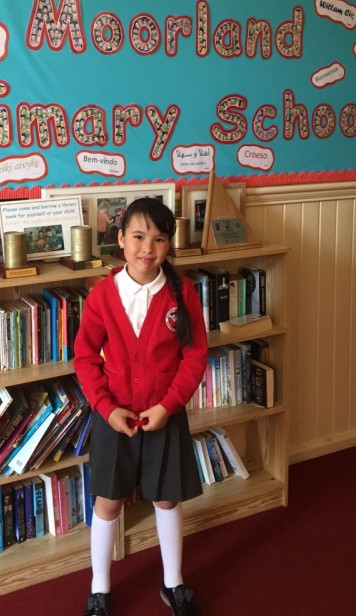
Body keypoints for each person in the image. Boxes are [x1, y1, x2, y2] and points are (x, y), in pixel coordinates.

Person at [73, 197, 208, 616]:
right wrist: (106, 407)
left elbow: (194, 357)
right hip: (113, 417)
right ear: (120, 239)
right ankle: (99, 589)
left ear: (169, 245)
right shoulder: (102, 296)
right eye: (138, 236)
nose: (147, 248)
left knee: (167, 500)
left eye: (159, 239)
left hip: (164, 415)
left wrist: (169, 405)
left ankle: (173, 583)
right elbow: (84, 358)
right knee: (108, 503)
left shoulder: (183, 294)